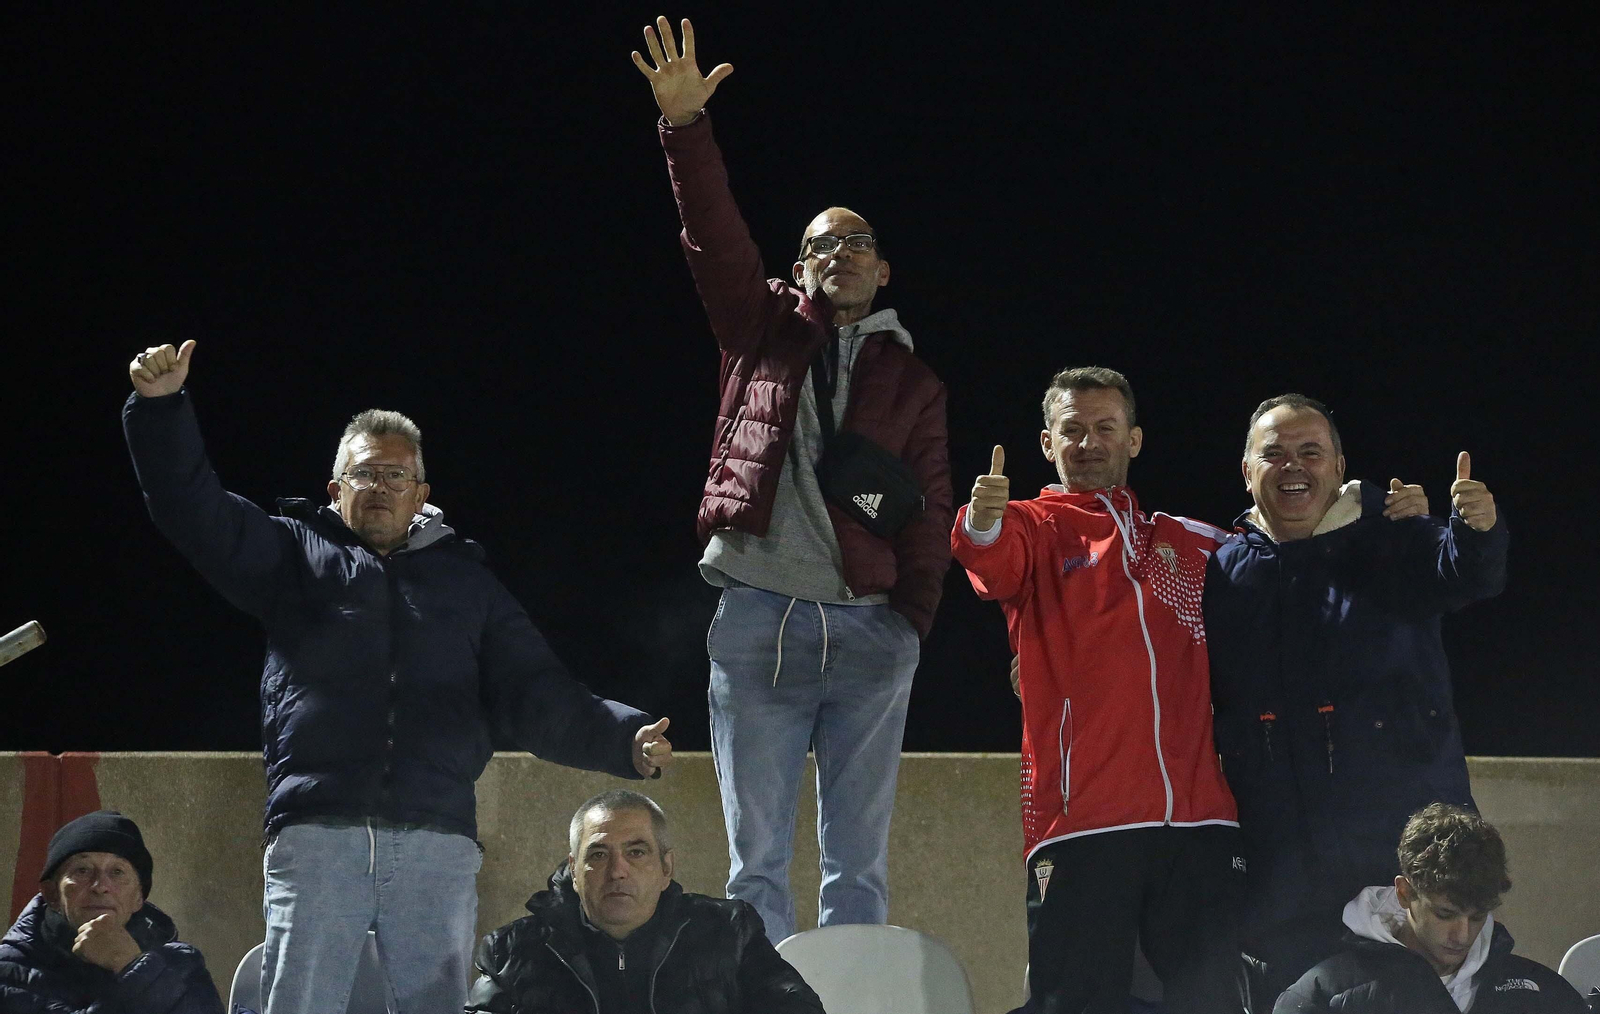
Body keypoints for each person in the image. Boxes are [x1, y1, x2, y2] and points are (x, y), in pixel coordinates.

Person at [121, 341, 675, 1014]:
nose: (380, 487)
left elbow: (537, 691)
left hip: (436, 840)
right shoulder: (294, 555)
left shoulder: (469, 584)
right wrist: (161, 409)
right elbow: (194, 510)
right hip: (317, 834)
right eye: (365, 474)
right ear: (336, 488)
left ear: (421, 496)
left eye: (396, 477)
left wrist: (624, 738)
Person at [630, 17, 953, 944]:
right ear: (800, 265)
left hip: (868, 630)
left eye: (856, 244)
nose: (838, 254)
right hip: (760, 619)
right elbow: (714, 237)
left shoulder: (915, 379)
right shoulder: (761, 329)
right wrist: (685, 129)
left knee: (859, 865)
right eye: (820, 244)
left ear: (883, 268)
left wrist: (912, 628)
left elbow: (926, 507)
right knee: (755, 862)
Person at [952, 366, 1248, 1013]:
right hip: (1082, 822)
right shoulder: (1033, 526)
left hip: (1200, 822)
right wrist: (981, 521)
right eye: (1073, 430)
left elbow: (1273, 564)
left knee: (1215, 1003)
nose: (1089, 443)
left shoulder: (1187, 540)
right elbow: (990, 559)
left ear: (1133, 440)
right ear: (1047, 443)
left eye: (1105, 428)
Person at [1204, 394, 1509, 1005]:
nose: (1294, 466)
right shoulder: (1223, 569)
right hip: (1283, 871)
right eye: (1275, 454)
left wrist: (1478, 531)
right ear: (1247, 471)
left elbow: (1462, 573)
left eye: (1310, 452)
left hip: (1399, 850)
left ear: (1339, 466)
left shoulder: (1391, 535)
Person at [466, 789, 825, 1013]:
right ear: (574, 870)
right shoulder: (511, 952)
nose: (617, 871)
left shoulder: (729, 932)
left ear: (665, 866)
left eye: (636, 852)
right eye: (599, 855)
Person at [1275, 803, 1586, 1012]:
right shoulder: (1322, 995)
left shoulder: (1542, 993)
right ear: (1405, 892)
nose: (1463, 936)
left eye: (1478, 917)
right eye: (1445, 914)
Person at [0, 810, 224, 1014]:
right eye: (82, 870)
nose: (100, 886)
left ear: (139, 897)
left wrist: (133, 965)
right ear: (52, 894)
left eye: (117, 872)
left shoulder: (182, 964)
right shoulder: (10, 970)